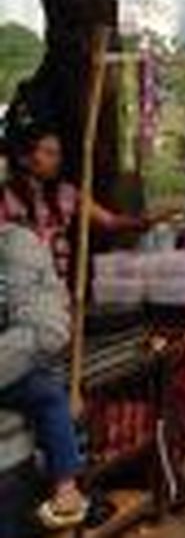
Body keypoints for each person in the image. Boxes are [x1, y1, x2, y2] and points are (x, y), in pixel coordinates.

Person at [0, 224, 87, 529]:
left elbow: (45, 332)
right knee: (50, 397)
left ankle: (66, 487)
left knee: (48, 396)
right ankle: (67, 486)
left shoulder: (15, 245)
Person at [0, 125, 144, 285]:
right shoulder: (5, 198)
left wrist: (146, 220)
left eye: (58, 154)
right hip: (18, 294)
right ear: (24, 158)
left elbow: (110, 221)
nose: (56, 160)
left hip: (57, 291)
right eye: (49, 153)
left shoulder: (66, 194)